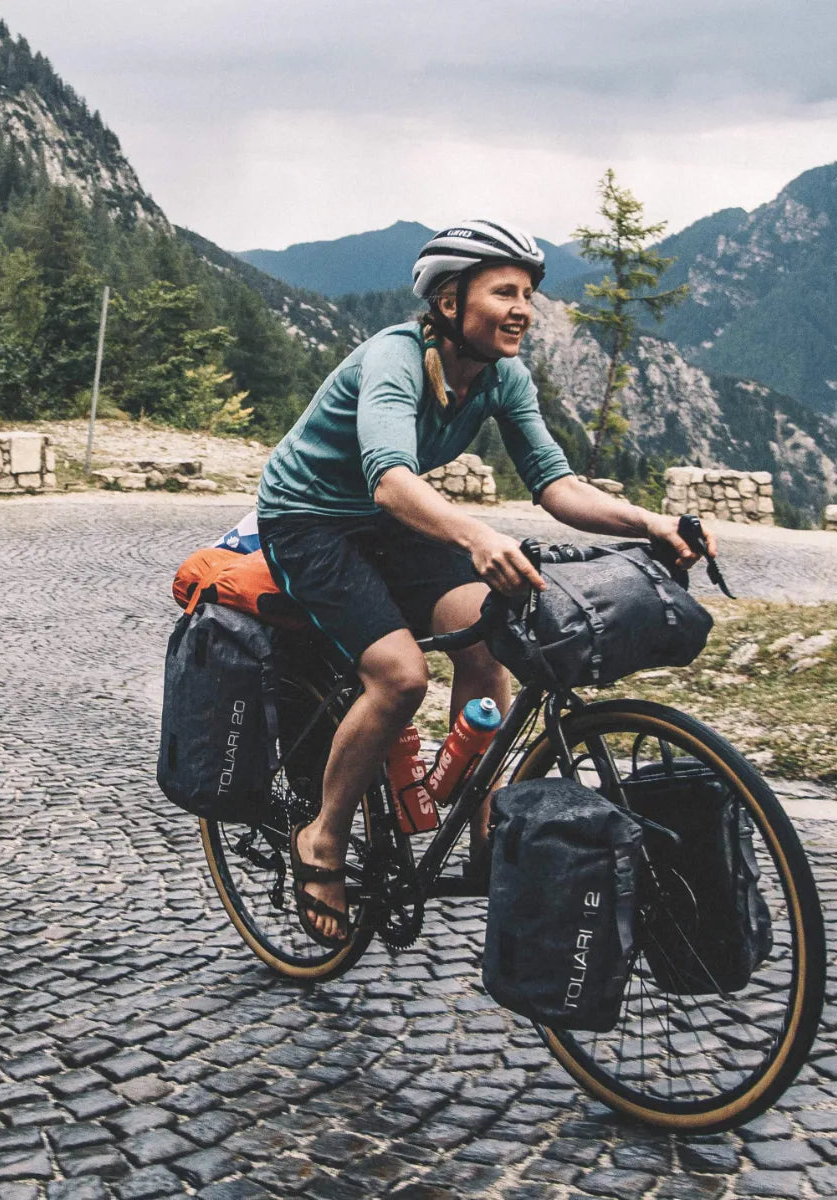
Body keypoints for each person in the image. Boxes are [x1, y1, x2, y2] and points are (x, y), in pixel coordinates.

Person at [256, 219, 714, 946]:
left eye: (528, 293)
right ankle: (323, 837)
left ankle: (484, 823)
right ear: (447, 301)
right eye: (504, 291)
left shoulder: (503, 378)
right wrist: (475, 534)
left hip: (389, 524)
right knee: (400, 677)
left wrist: (648, 523)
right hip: (310, 521)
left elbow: (557, 486)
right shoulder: (396, 359)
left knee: (491, 640)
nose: (523, 309)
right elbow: (390, 481)